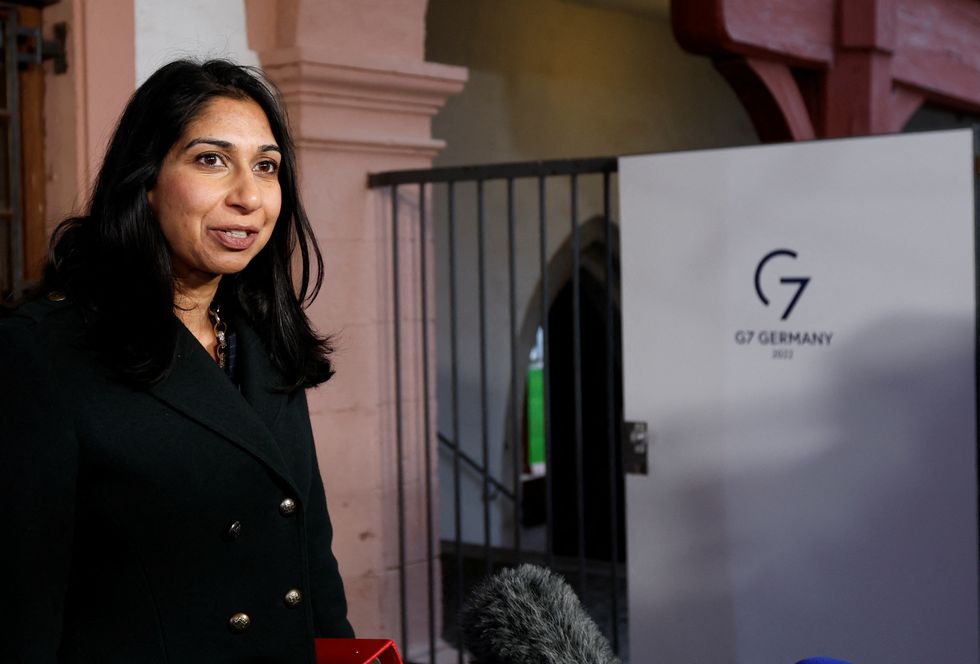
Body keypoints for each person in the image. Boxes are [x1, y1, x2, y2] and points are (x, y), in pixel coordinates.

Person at [0, 59, 353, 662]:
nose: (247, 196)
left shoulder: (265, 342)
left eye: (265, 167)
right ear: (146, 179)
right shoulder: (43, 353)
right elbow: (19, 612)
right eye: (211, 159)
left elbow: (309, 555)